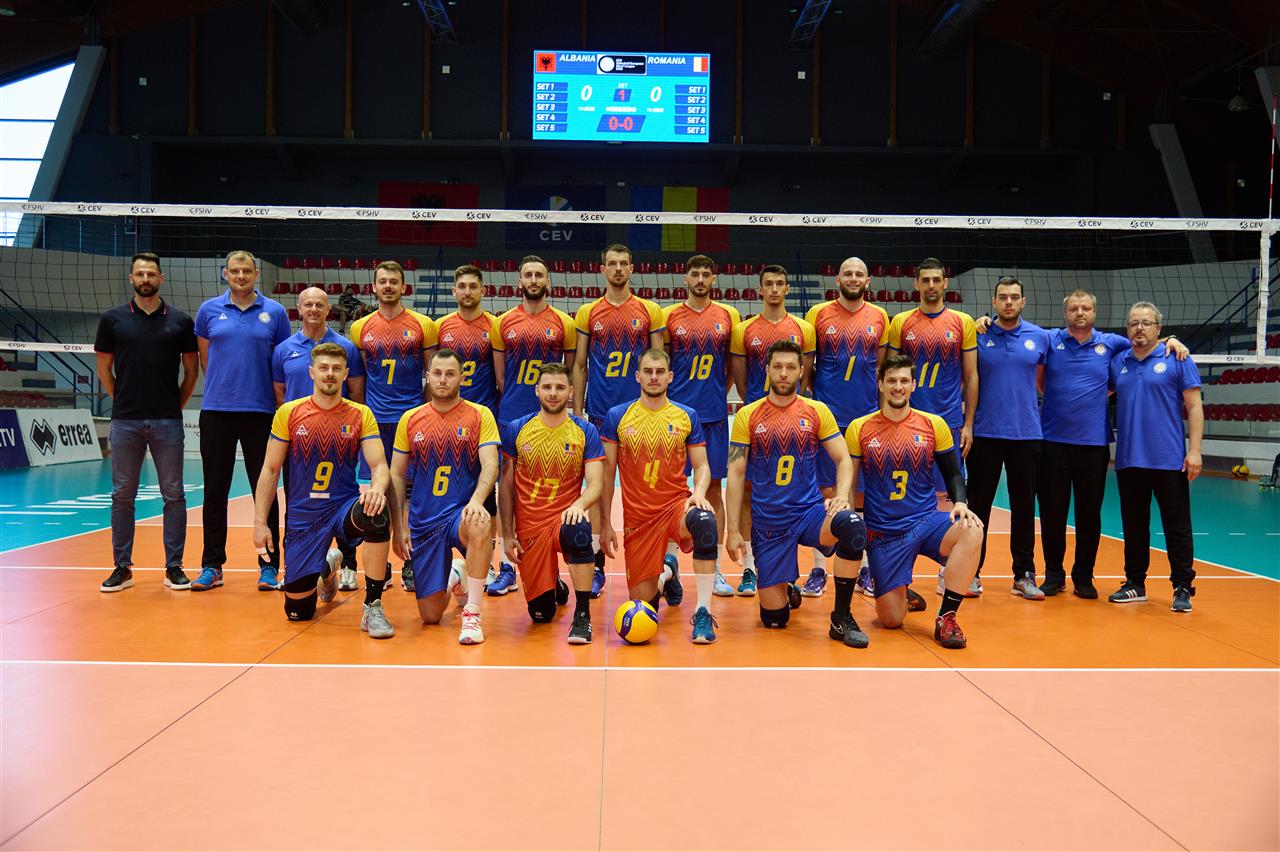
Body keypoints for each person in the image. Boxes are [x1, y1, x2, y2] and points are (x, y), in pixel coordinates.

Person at [1031, 290, 1188, 598]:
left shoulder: (1112, 343)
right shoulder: (1050, 340)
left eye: (1086, 308)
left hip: (1094, 444)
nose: (1080, 313)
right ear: (1066, 313)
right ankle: (1054, 574)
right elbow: (1040, 378)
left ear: (1094, 312)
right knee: (1052, 512)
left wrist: (1172, 339)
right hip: (1052, 441)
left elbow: (1145, 343)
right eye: (1074, 308)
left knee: (1089, 514)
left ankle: (1083, 576)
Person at [724, 340, 870, 647]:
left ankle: (841, 617)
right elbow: (736, 474)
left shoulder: (817, 411)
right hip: (769, 522)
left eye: (791, 367)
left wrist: (842, 496)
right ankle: (786, 584)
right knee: (774, 619)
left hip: (809, 513)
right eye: (777, 366)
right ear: (767, 369)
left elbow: (844, 460)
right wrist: (733, 530)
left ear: (802, 371)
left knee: (852, 525)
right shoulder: (748, 415)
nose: (783, 373)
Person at [251, 343, 396, 638]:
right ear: (312, 372)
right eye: (324, 368)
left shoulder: (360, 414)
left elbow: (380, 465)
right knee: (298, 612)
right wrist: (259, 522)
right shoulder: (290, 413)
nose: (329, 373)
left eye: (336, 368)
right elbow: (270, 469)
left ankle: (373, 605)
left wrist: (378, 489)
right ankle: (328, 569)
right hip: (304, 517)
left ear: (345, 373)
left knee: (375, 513)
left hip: (343, 507)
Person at [845, 354, 985, 649]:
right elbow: (850, 479)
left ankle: (947, 616)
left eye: (904, 381)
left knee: (972, 528)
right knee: (891, 620)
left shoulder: (933, 424)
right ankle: (900, 592)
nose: (898, 387)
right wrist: (846, 513)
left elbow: (953, 473)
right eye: (892, 381)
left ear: (913, 385)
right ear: (881, 385)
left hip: (925, 521)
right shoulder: (860, 427)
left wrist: (960, 503)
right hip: (884, 532)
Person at [599, 349, 720, 643]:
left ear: (670, 376)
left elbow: (703, 466)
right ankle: (668, 572)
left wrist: (699, 492)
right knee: (645, 607)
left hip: (675, 508)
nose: (654, 377)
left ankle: (703, 612)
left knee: (705, 522)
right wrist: (604, 524)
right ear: (638, 376)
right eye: (648, 371)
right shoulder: (617, 416)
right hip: (638, 520)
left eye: (660, 371)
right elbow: (606, 474)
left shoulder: (686, 416)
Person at [95, 252, 199, 593]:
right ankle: (122, 567)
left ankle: (174, 567)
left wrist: (173, 405)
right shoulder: (112, 319)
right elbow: (103, 369)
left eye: (150, 274)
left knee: (174, 494)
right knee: (122, 495)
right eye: (139, 274)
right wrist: (122, 400)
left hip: (167, 421)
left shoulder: (180, 321)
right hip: (125, 421)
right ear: (131, 278)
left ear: (160, 278)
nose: (145, 279)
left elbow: (191, 371)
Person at [192, 250, 291, 592]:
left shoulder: (275, 313)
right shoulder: (208, 311)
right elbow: (206, 359)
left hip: (261, 412)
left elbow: (281, 362)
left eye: (246, 270)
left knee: (264, 490)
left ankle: (269, 566)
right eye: (235, 271)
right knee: (214, 491)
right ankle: (212, 565)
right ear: (226, 273)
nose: (241, 276)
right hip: (217, 411)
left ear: (255, 274)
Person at [573, 243, 665, 598]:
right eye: (611, 264)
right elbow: (579, 364)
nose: (617, 269)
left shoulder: (648, 310)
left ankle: (661, 565)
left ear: (632, 268)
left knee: (649, 488)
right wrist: (578, 413)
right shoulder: (588, 312)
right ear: (602, 269)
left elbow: (658, 361)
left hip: (640, 416)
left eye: (623, 263)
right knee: (599, 489)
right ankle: (597, 563)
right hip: (599, 413)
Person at [389, 349, 500, 644]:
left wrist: (476, 501)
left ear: (462, 377)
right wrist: (398, 526)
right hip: (424, 520)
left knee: (480, 522)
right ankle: (457, 577)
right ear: (427, 377)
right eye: (437, 373)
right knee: (430, 615)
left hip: (459, 514)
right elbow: (396, 475)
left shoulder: (480, 415)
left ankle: (472, 612)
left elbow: (491, 464)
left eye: (450, 374)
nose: (443, 379)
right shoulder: (410, 419)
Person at [885, 257, 978, 596]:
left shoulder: (962, 322)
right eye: (925, 280)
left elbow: (971, 375)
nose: (931, 285)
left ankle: (947, 572)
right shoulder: (901, 322)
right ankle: (899, 573)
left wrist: (968, 424)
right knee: (903, 497)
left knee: (949, 497)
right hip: (906, 424)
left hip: (947, 423)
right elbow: (890, 373)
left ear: (945, 282)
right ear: (916, 284)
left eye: (936, 279)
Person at [801, 256, 888, 598]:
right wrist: (818, 405)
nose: (853, 278)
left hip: (865, 420)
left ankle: (863, 567)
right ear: (837, 280)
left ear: (868, 281)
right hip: (829, 420)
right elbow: (808, 368)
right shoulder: (818, 314)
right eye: (847, 273)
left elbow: (881, 370)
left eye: (859, 274)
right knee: (826, 494)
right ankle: (818, 569)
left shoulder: (880, 317)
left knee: (863, 497)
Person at [490, 255, 577, 595]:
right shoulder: (503, 323)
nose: (534, 279)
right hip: (513, 415)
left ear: (548, 281)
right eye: (528, 274)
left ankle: (551, 569)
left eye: (540, 274)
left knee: (550, 489)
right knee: (508, 487)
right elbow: (501, 377)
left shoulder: (564, 323)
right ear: (520, 280)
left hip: (554, 418)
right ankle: (505, 566)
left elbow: (570, 372)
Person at [499, 363, 604, 644]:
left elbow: (596, 483)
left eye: (559, 388)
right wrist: (507, 534)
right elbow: (506, 487)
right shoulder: (517, 429)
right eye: (547, 387)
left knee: (579, 529)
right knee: (541, 614)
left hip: (564, 519)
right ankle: (553, 583)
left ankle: (582, 614)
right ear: (537, 391)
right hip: (530, 526)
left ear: (571, 392)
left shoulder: (585, 431)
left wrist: (579, 505)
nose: (553, 393)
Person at [348, 260, 438, 593]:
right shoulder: (360, 327)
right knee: (378, 493)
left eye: (393, 281)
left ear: (403, 287)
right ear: (374, 287)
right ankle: (381, 564)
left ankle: (411, 561)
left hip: (409, 421)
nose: (388, 286)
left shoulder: (422, 325)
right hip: (375, 422)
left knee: (411, 494)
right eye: (382, 281)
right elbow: (360, 379)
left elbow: (431, 375)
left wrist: (423, 414)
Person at [1107, 302, 1203, 612]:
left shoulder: (1177, 358)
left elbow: (1194, 407)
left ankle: (1183, 586)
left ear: (1158, 328)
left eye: (1146, 323)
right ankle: (1135, 583)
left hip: (1169, 458)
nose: (1139, 328)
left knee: (1177, 526)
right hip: (1129, 459)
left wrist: (1195, 451)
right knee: (1134, 526)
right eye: (1134, 323)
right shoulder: (1119, 362)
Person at [728, 264, 816, 596]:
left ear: (787, 288)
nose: (775, 289)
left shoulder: (804, 329)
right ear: (760, 289)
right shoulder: (744, 329)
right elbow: (741, 380)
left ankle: (792, 571)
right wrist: (756, 407)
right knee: (748, 491)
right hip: (757, 423)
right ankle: (750, 568)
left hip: (792, 424)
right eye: (769, 284)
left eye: (780, 283)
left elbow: (804, 377)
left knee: (791, 494)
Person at [272, 287, 367, 590]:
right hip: (299, 440)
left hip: (339, 438)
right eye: (308, 304)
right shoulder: (283, 349)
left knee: (345, 496)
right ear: (299, 309)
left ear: (328, 310)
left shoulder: (345, 347)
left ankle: (349, 564)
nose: (313, 309)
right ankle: (299, 565)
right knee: (297, 502)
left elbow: (357, 391)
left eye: (319, 305)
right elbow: (279, 393)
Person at [661, 254, 740, 597]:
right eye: (695, 273)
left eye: (706, 273)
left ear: (714, 278)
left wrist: (715, 393)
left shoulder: (728, 315)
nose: (700, 279)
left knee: (713, 489)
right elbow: (665, 364)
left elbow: (730, 367)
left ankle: (716, 568)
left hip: (713, 416)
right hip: (677, 419)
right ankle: (669, 565)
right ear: (685, 278)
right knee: (671, 491)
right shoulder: (670, 316)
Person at [966, 277, 1049, 601]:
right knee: (978, 508)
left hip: (1026, 434)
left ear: (1023, 301)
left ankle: (1024, 575)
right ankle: (970, 572)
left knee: (1024, 508)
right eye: (1003, 297)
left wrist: (1169, 339)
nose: (1009, 302)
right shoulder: (979, 334)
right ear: (994, 301)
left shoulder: (1040, 337)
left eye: (1014, 297)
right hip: (985, 432)